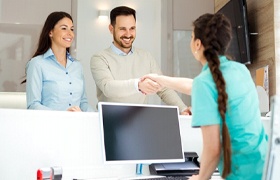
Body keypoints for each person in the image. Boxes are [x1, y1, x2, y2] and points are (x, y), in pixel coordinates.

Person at [143, 13, 267, 179]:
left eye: (192, 36)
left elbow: (213, 149)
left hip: (240, 173)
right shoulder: (240, 70)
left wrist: (200, 178)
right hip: (266, 166)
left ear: (197, 44)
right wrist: (161, 79)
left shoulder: (205, 82)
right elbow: (196, 86)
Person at [90, 6, 190, 115]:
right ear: (111, 29)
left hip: (139, 121)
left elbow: (163, 89)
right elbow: (108, 87)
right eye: (122, 29)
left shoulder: (146, 57)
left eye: (132, 28)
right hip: (110, 121)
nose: (128, 34)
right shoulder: (100, 58)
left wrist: (182, 108)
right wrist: (138, 85)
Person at [24, 11, 92, 112]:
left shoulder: (77, 66)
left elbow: (83, 102)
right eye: (64, 28)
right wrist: (63, 115)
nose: (70, 34)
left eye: (72, 29)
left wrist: (97, 116)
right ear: (50, 32)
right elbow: (33, 105)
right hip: (50, 126)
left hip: (76, 125)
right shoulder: (37, 64)